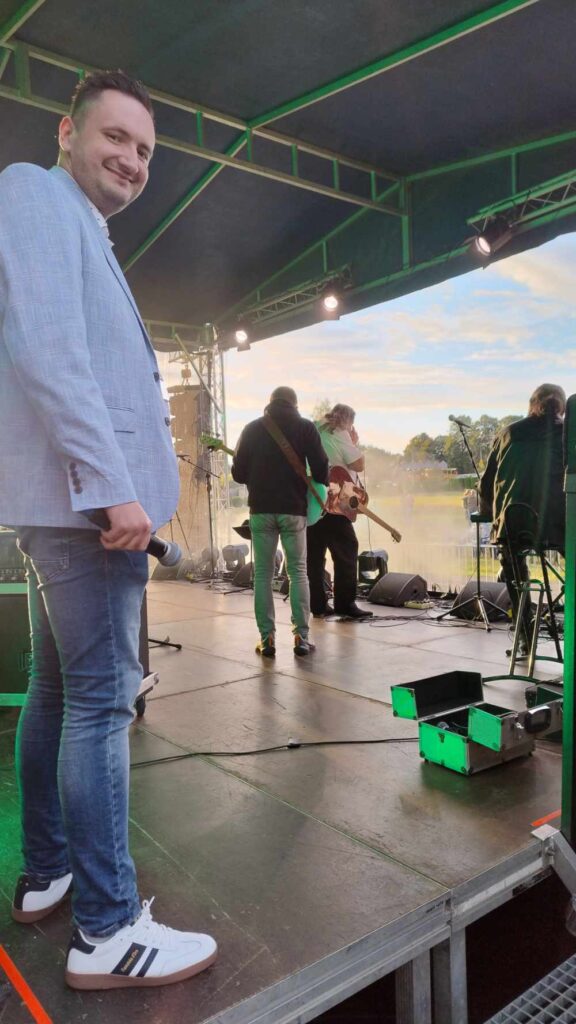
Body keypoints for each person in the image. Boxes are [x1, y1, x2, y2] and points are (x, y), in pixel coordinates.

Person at [0, 70, 217, 989]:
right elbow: (48, 350)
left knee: (56, 694)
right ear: (66, 132)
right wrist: (110, 487)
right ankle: (109, 930)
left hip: (74, 512)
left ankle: (50, 873)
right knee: (100, 704)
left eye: (145, 151)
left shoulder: (84, 226)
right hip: (90, 515)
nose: (132, 160)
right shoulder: (33, 192)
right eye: (116, 137)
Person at [231, 386, 329, 657]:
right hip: (293, 510)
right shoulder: (306, 428)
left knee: (263, 574)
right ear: (295, 404)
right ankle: (301, 637)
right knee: (298, 572)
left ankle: (267, 640)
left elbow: (238, 474)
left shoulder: (251, 429)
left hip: (261, 510)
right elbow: (322, 470)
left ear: (270, 402)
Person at [479, 383, 566, 657]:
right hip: (560, 525)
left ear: (532, 404)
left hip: (514, 524)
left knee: (515, 573)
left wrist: (492, 515)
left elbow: (486, 484)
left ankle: (526, 639)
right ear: (562, 407)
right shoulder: (568, 433)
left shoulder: (508, 433)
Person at [307, 404, 373, 619]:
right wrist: (353, 442)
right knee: (346, 550)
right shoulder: (340, 432)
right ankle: (345, 604)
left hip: (311, 501)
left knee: (314, 555)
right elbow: (358, 464)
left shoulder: (313, 429)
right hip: (334, 502)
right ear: (348, 420)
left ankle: (317, 605)